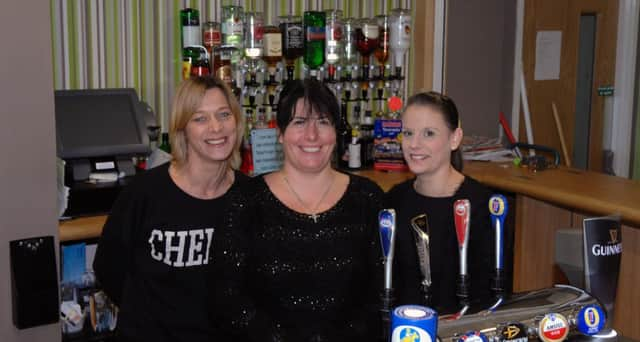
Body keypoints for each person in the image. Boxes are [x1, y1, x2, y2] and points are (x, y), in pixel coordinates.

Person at [211, 79, 384, 341]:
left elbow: (384, 292)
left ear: (336, 132)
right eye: (299, 122)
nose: (312, 135)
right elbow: (226, 300)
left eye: (323, 122)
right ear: (280, 133)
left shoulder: (368, 199)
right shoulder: (245, 202)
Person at [93, 76, 249, 342]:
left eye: (224, 114)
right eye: (200, 118)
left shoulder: (249, 198)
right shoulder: (145, 194)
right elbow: (108, 268)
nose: (216, 127)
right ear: (182, 129)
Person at [386, 91, 494, 314]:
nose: (414, 144)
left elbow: (488, 297)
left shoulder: (481, 207)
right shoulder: (393, 202)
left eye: (428, 134)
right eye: (408, 133)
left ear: (454, 138)